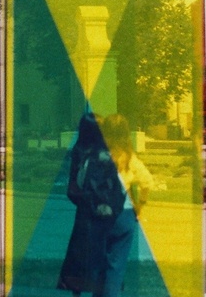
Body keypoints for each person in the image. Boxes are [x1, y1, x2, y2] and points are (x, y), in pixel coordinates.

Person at [58, 112, 124, 296]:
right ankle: (100, 287)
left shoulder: (79, 149)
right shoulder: (101, 150)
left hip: (84, 207)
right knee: (100, 251)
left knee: (79, 253)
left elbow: (73, 184)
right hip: (100, 206)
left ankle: (76, 288)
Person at [95, 114, 153, 297]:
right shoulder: (130, 159)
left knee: (99, 264)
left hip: (99, 214)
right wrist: (140, 205)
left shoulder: (98, 155)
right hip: (124, 214)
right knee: (116, 267)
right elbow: (147, 182)